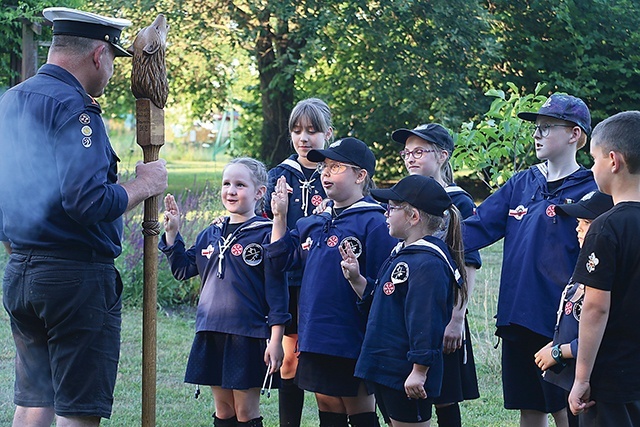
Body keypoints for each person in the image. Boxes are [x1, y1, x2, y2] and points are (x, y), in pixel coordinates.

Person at [0, 7, 168, 427]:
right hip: (73, 281)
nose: (112, 71)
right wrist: (144, 185)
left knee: (35, 402)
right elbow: (88, 201)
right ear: (98, 54)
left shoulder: (11, 100)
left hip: (20, 272)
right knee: (77, 412)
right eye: (113, 59)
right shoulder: (76, 110)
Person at [462, 93, 597, 427]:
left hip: (562, 321)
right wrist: (426, 237)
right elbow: (475, 228)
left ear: (575, 134)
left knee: (566, 407)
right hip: (517, 316)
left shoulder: (593, 189)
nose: (536, 134)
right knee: (530, 407)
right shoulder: (522, 183)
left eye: (547, 127)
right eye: (536, 128)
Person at [268, 137, 397, 427]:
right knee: (327, 408)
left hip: (352, 337)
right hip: (315, 334)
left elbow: (385, 289)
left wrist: (358, 279)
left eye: (336, 166)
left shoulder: (375, 223)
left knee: (360, 410)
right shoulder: (313, 222)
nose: (325, 172)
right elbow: (279, 260)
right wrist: (280, 216)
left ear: (361, 175)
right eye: (324, 166)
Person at [160, 157, 290, 427]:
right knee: (223, 412)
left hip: (248, 334)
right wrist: (172, 234)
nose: (231, 190)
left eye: (240, 185)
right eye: (226, 183)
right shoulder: (210, 233)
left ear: (260, 193)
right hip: (212, 332)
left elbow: (278, 290)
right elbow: (184, 269)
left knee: (245, 413)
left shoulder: (267, 235)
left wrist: (276, 339)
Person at [340, 174, 467, 427]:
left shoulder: (428, 264)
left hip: (406, 373)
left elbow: (425, 320)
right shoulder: (403, 254)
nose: (386, 214)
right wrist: (356, 279)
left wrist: (419, 371)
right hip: (387, 369)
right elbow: (384, 299)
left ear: (413, 217)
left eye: (392, 208)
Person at [391, 123, 480, 427]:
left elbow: (467, 262)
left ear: (442, 155)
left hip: (443, 314)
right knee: (410, 391)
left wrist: (456, 319)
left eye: (419, 151)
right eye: (407, 152)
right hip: (409, 312)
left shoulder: (459, 201)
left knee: (444, 395)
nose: (410, 158)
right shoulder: (403, 198)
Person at [263, 98, 333, 427]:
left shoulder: (335, 174)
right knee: (288, 361)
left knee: (320, 362)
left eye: (312, 131)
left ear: (327, 134)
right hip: (289, 278)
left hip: (325, 281)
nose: (303, 138)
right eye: (296, 131)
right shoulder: (279, 174)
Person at [568, 111, 640, 426]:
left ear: (613, 161)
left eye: (594, 159)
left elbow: (596, 308)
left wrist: (582, 378)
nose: (592, 167)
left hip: (614, 379)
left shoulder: (606, 227)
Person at [533, 190, 613, 427]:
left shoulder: (607, 276)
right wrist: (557, 342)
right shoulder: (584, 267)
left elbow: (607, 332)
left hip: (598, 383)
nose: (578, 228)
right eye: (578, 222)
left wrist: (560, 351)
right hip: (574, 380)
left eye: (586, 223)